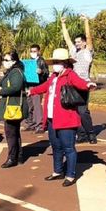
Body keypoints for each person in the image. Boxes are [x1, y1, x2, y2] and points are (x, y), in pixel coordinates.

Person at [28, 48, 97, 185]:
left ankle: (70, 175)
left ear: (65, 63)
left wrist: (88, 84)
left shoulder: (70, 75)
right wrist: (32, 91)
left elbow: (80, 83)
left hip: (66, 119)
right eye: (54, 62)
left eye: (58, 62)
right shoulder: (53, 77)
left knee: (68, 148)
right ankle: (57, 171)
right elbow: (44, 87)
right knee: (56, 146)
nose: (55, 65)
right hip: (52, 118)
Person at [61, 15, 97, 143]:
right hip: (72, 85)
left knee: (83, 111)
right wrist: (63, 24)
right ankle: (81, 134)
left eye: (79, 42)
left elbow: (89, 37)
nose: (76, 44)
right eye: (76, 42)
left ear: (84, 43)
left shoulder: (87, 51)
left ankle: (91, 134)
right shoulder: (73, 51)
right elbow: (67, 38)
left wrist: (86, 22)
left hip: (84, 84)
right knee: (75, 110)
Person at [0, 51, 28, 168]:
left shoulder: (16, 72)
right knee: (14, 132)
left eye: (7, 60)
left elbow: (16, 87)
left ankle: (12, 157)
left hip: (13, 106)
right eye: (4, 60)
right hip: (10, 105)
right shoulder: (11, 72)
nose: (4, 62)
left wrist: (1, 91)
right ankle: (18, 156)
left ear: (14, 61)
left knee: (10, 133)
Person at [22, 44, 49, 133]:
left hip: (37, 85)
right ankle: (31, 123)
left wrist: (41, 72)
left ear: (38, 52)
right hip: (28, 85)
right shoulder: (28, 62)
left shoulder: (41, 61)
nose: (33, 53)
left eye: (34, 51)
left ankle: (40, 125)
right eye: (31, 51)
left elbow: (46, 73)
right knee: (29, 105)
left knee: (37, 105)